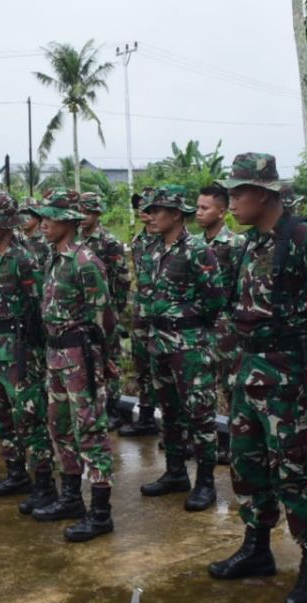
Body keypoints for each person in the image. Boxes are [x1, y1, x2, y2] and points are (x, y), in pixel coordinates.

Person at [207, 154, 307, 603]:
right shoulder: (250, 245)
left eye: (237, 193)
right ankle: (257, 546)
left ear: (264, 194)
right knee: (246, 463)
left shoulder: (305, 239)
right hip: (248, 372)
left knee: (297, 470)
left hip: (287, 375)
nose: (230, 202)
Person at [30, 190, 118, 542]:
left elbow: (104, 319)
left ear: (69, 221)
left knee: (91, 432)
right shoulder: (55, 259)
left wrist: (107, 360)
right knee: (59, 427)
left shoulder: (85, 262)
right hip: (56, 357)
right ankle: (70, 498)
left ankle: (100, 513)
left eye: (50, 218)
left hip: (81, 358)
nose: (43, 224)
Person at [136, 185, 225, 512]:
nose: (152, 215)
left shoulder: (197, 250)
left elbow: (215, 299)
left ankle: (205, 482)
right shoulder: (152, 250)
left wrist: (184, 320)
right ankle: (175, 472)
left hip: (189, 346)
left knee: (199, 414)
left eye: (158, 210)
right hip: (158, 343)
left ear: (176, 214)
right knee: (169, 411)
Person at [0, 192, 54, 502]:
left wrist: (36, 351)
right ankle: (16, 473)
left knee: (29, 418)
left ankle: (45, 484)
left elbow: (38, 306)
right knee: (0, 415)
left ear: (7, 223)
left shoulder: (23, 258)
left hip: (20, 350)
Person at [195, 185, 244, 464]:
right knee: (202, 387)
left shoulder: (235, 245)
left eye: (205, 208)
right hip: (201, 325)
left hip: (227, 327)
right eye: (198, 207)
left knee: (231, 386)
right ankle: (210, 442)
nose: (199, 213)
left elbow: (240, 287)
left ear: (222, 212)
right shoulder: (195, 245)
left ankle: (234, 444)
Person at [78, 192, 131, 430]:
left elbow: (122, 279)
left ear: (97, 214)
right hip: (82, 312)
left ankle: (113, 408)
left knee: (110, 359)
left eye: (87, 211)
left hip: (105, 309)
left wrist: (115, 311)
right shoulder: (75, 240)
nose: (82, 216)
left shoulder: (109, 242)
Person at [120, 191, 162, 438]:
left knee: (166, 371)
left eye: (150, 208)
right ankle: (145, 416)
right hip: (142, 313)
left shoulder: (169, 241)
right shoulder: (138, 241)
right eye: (141, 208)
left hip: (166, 316)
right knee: (141, 366)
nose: (145, 213)